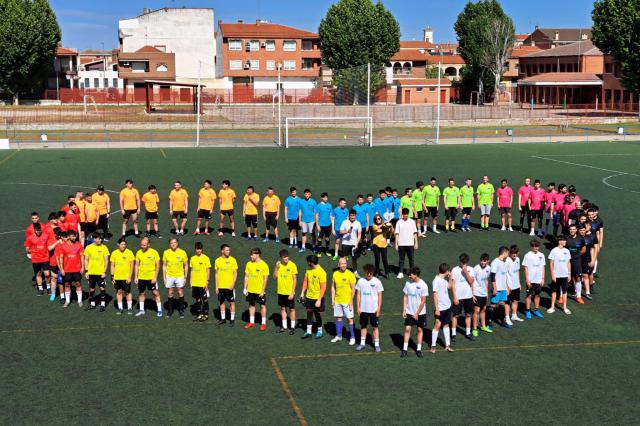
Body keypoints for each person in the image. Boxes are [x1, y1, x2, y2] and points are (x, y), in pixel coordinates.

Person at [355, 264, 384, 352]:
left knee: (375, 327)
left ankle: (376, 345)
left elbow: (380, 296)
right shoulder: (360, 281)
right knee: (363, 326)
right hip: (363, 309)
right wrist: (358, 307)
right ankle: (362, 344)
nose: (369, 274)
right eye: (367, 273)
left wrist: (378, 309)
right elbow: (358, 295)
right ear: (365, 272)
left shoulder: (377, 282)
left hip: (374, 310)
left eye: (370, 273)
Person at [401, 266, 428, 358]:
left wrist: (417, 313)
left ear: (416, 275)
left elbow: (423, 301)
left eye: (411, 275)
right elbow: (405, 296)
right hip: (409, 311)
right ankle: (404, 349)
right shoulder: (408, 283)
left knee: (420, 329)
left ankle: (419, 349)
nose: (409, 276)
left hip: (420, 313)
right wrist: (404, 309)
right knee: (407, 329)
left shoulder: (423, 285)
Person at [431, 263, 457, 353]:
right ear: (446, 271)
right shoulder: (436, 281)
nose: (449, 272)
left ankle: (447, 345)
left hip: (447, 306)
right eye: (448, 271)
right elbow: (435, 295)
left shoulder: (444, 280)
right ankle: (433, 346)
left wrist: (450, 278)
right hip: (440, 308)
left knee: (446, 325)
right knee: (437, 325)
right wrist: (437, 309)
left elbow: (449, 287)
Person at [330, 257, 357, 345]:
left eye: (345, 263)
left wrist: (350, 301)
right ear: (338, 264)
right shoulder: (335, 274)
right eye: (342, 263)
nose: (344, 265)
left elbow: (353, 289)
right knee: (338, 318)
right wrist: (333, 300)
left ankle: (352, 337)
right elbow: (333, 287)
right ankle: (339, 335)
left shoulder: (350, 274)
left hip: (347, 301)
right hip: (338, 300)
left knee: (350, 319)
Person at [134, 237, 162, 317]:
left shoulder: (154, 252)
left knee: (155, 293)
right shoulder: (138, 253)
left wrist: (155, 277)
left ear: (148, 245)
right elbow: (137, 265)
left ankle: (159, 310)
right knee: (141, 293)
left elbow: (158, 266)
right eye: (141, 245)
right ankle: (142, 310)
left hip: (151, 277)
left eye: (144, 245)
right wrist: (136, 277)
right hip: (141, 277)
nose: (142, 246)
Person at [300, 255, 327, 339]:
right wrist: (302, 293)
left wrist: (319, 300)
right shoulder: (308, 270)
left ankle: (319, 331)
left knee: (317, 314)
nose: (307, 263)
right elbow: (305, 281)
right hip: (309, 296)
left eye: (308, 261)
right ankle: (308, 331)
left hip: (317, 298)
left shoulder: (321, 272)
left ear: (311, 262)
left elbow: (323, 288)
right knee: (309, 313)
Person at [243, 247, 270, 330]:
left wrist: (262, 291)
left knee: (262, 306)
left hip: (259, 291)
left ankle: (263, 323)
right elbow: (246, 276)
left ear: (257, 255)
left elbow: (265, 279)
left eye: (252, 255)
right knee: (251, 305)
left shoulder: (264, 265)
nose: (251, 256)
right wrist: (245, 288)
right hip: (250, 290)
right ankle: (251, 322)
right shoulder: (248, 264)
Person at [451, 253, 475, 341]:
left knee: (468, 315)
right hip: (458, 297)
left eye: (465, 262)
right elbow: (453, 285)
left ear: (467, 262)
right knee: (456, 315)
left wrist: (466, 273)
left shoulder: (471, 269)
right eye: (462, 262)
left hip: (468, 297)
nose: (463, 264)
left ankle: (468, 333)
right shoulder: (455, 270)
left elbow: (471, 282)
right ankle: (453, 333)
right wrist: (455, 297)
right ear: (460, 261)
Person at [162, 238, 189, 318]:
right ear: (169, 244)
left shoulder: (182, 252)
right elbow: (164, 265)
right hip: (169, 276)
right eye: (171, 243)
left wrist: (185, 277)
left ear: (177, 243)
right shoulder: (166, 252)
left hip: (180, 276)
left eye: (174, 242)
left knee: (180, 292)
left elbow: (186, 265)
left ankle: (181, 310)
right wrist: (164, 277)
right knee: (170, 293)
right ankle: (170, 311)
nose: (173, 244)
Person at [83, 232, 109, 311]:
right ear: (94, 239)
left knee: (102, 288)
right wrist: (86, 271)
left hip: (100, 273)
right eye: (99, 239)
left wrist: (104, 272)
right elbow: (86, 260)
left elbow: (106, 260)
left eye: (101, 239)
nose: (100, 240)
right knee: (91, 289)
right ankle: (92, 304)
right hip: (91, 273)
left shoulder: (104, 248)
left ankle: (103, 304)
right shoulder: (88, 248)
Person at [273, 249, 298, 334]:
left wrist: (292, 292)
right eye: (284, 257)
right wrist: (276, 268)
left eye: (287, 256)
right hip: (281, 292)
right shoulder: (278, 265)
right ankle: (284, 327)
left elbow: (295, 280)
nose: (286, 258)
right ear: (281, 258)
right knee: (283, 308)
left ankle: (292, 327)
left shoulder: (292, 265)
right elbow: (275, 277)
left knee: (292, 309)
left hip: (289, 293)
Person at [58, 230, 84, 308]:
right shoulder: (63, 246)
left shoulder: (79, 245)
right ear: (68, 236)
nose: (75, 237)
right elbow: (61, 258)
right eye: (73, 236)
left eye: (75, 236)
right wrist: (61, 269)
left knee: (78, 284)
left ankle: (79, 301)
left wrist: (83, 267)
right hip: (67, 269)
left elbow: (82, 256)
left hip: (77, 269)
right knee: (67, 284)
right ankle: (67, 301)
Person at [214, 244, 238, 326]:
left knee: (232, 303)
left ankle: (232, 320)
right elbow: (216, 274)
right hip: (221, 286)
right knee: (221, 302)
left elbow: (235, 273)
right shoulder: (217, 261)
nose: (229, 251)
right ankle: (223, 319)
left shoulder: (233, 260)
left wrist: (233, 284)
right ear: (222, 251)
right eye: (227, 250)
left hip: (229, 286)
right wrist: (216, 286)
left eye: (229, 250)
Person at [24, 223, 50, 296]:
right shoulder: (30, 238)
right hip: (36, 259)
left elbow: (49, 245)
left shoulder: (45, 236)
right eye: (37, 230)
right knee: (38, 274)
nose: (39, 231)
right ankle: (40, 289)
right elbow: (27, 248)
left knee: (47, 274)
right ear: (34, 230)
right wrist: (30, 252)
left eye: (40, 230)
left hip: (45, 258)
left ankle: (48, 287)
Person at [110, 237, 135, 315]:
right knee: (119, 292)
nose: (124, 246)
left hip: (126, 277)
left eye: (125, 244)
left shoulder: (129, 252)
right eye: (122, 244)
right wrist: (112, 277)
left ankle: (129, 307)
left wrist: (130, 277)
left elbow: (132, 266)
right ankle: (120, 308)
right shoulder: (114, 253)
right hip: (117, 277)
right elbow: (112, 266)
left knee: (127, 292)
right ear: (118, 245)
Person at [488, 246, 512, 329]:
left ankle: (502, 321)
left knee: (502, 304)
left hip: (503, 288)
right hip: (497, 288)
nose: (508, 255)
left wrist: (507, 287)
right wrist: (494, 288)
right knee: (493, 305)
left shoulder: (505, 262)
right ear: (504, 253)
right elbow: (492, 276)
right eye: (508, 253)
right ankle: (489, 322)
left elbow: (505, 276)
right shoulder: (495, 262)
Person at [522, 240, 545, 319]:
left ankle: (536, 310)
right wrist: (527, 280)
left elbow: (543, 267)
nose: (536, 248)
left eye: (537, 246)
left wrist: (542, 278)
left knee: (537, 295)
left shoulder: (541, 255)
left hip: (538, 280)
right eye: (534, 246)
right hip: (531, 280)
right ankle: (528, 310)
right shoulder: (527, 255)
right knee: (529, 295)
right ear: (532, 246)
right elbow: (525, 268)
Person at [548, 236, 572, 314]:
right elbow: (551, 263)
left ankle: (565, 307)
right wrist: (552, 274)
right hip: (556, 275)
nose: (565, 242)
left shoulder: (567, 251)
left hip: (565, 275)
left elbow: (568, 263)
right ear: (559, 241)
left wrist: (569, 274)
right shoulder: (554, 251)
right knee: (554, 291)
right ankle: (552, 307)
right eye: (564, 240)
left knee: (564, 291)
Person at [189, 242, 212, 321]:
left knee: (204, 299)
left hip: (202, 283)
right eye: (197, 249)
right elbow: (191, 270)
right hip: (195, 283)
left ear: (202, 249)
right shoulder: (192, 258)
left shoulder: (206, 258)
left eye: (200, 249)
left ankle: (205, 314)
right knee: (197, 299)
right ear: (195, 249)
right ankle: (199, 314)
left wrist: (207, 282)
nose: (198, 250)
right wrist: (191, 281)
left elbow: (208, 270)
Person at [472, 253, 492, 336]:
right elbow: (472, 281)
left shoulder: (488, 268)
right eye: (481, 261)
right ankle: (475, 328)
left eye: (484, 261)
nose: (483, 262)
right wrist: (472, 294)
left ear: (488, 261)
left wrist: (486, 293)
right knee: (476, 311)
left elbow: (486, 281)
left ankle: (483, 326)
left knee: (483, 309)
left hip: (484, 293)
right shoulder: (476, 268)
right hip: (476, 293)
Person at [565, 223, 586, 305]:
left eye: (573, 229)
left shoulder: (580, 239)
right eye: (570, 229)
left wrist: (577, 255)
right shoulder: (565, 238)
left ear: (576, 230)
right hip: (566, 261)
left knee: (578, 278)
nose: (572, 231)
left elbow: (583, 249)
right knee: (564, 278)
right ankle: (561, 296)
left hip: (576, 261)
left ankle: (578, 296)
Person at [395, 208, 418, 279]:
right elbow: (397, 233)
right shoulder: (399, 222)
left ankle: (412, 273)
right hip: (401, 244)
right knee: (401, 259)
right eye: (404, 215)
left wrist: (416, 242)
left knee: (411, 259)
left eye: (406, 215)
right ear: (402, 214)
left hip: (410, 244)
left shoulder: (412, 221)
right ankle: (401, 272)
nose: (405, 217)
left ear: (408, 214)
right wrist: (396, 243)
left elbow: (415, 233)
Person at [339, 209, 362, 274]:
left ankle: (355, 272)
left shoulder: (358, 223)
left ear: (355, 216)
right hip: (345, 243)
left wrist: (356, 244)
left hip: (354, 244)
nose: (352, 217)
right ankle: (343, 271)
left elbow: (359, 234)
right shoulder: (345, 222)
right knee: (344, 258)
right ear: (349, 216)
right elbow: (340, 231)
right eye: (351, 215)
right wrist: (347, 231)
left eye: (353, 215)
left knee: (354, 259)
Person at [506, 245, 523, 323]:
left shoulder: (518, 259)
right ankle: (507, 318)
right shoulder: (507, 261)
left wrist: (519, 283)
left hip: (516, 285)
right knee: (507, 303)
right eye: (513, 253)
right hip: (509, 286)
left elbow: (517, 271)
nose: (514, 254)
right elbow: (504, 274)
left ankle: (514, 315)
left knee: (515, 301)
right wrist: (507, 286)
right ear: (510, 253)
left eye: (516, 253)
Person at [578, 224, 596, 301]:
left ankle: (587, 292)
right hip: (577, 259)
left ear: (585, 230)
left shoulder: (589, 238)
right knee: (577, 276)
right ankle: (577, 292)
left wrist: (592, 260)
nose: (582, 232)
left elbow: (592, 249)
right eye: (580, 230)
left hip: (586, 259)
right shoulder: (576, 238)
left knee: (585, 275)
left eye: (583, 230)